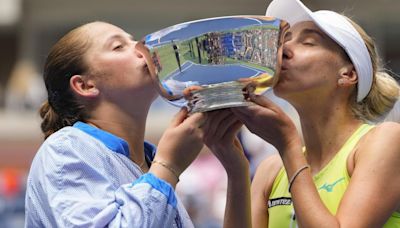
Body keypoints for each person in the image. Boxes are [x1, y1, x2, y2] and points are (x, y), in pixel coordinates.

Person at [24, 21, 251, 228]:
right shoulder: (66, 148)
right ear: (85, 85)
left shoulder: (147, 166)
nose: (142, 47)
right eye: (118, 46)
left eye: (134, 40)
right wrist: (168, 166)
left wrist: (237, 173)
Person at [232, 0, 400, 227]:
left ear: (348, 74)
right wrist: (235, 168)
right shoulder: (270, 171)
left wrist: (289, 145)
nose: (284, 51)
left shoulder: (386, 140)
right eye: (285, 41)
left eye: (309, 42)